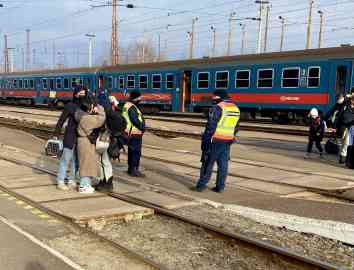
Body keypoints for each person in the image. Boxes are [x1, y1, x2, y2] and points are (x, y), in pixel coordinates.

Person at [194, 89, 240, 193]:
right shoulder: (235, 108)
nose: (213, 99)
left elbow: (211, 126)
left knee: (207, 163)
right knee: (223, 164)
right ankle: (220, 187)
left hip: (215, 140)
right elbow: (236, 127)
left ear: (219, 97)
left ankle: (201, 186)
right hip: (228, 140)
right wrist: (230, 136)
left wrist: (205, 141)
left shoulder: (217, 108)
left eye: (214, 97)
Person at [54, 86, 85, 190]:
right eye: (81, 93)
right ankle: (60, 181)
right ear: (76, 94)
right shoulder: (70, 106)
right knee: (66, 159)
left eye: (84, 93)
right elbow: (61, 120)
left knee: (76, 160)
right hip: (70, 136)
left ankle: (72, 179)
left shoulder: (85, 106)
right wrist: (56, 134)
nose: (83, 96)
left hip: (81, 137)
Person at [75, 95, 106, 193]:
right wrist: (100, 109)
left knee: (87, 163)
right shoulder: (86, 118)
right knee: (86, 164)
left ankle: (86, 184)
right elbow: (100, 120)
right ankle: (83, 186)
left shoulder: (81, 115)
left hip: (84, 142)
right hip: (85, 143)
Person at [122, 90, 145, 177]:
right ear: (136, 98)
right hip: (135, 133)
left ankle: (131, 169)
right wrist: (142, 127)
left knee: (131, 152)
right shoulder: (132, 107)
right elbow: (135, 120)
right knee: (136, 152)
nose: (140, 98)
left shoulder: (127, 105)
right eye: (139, 97)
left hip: (129, 133)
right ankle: (134, 170)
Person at [337, 94, 354, 163]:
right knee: (344, 141)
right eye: (352, 99)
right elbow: (340, 116)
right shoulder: (345, 106)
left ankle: (344, 157)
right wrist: (335, 126)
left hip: (351, 127)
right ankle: (343, 157)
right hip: (344, 126)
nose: (353, 101)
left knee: (347, 143)